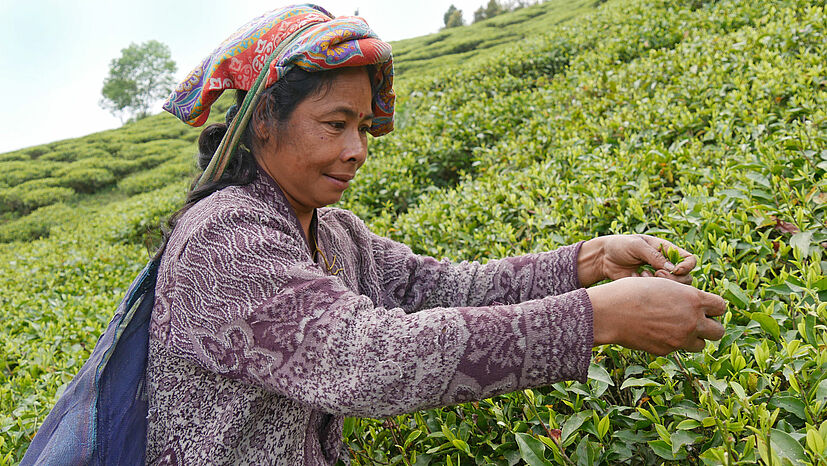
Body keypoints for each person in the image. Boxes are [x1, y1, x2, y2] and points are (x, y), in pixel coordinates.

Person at [148, 5, 726, 465]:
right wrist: (599, 318)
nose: (357, 151)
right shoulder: (224, 240)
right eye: (335, 125)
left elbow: (440, 288)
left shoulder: (334, 232)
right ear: (264, 121)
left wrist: (590, 260)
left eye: (364, 127)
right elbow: (371, 360)